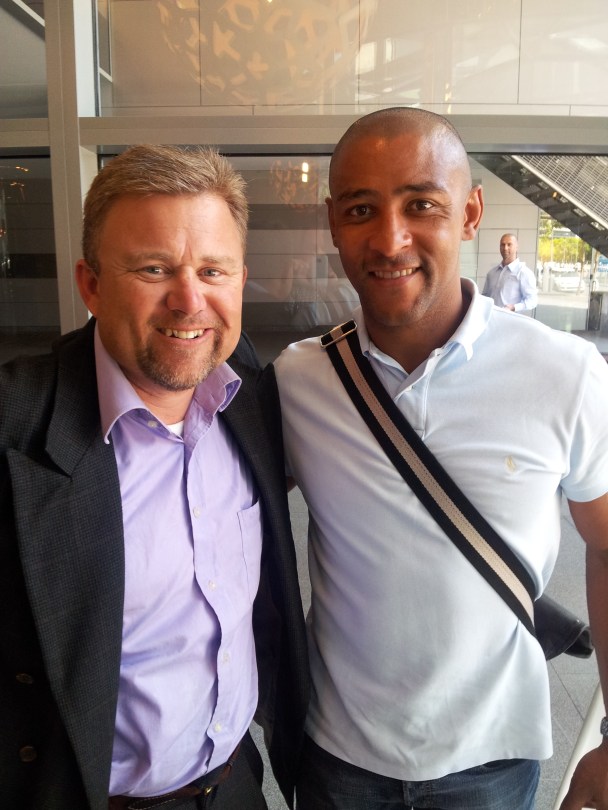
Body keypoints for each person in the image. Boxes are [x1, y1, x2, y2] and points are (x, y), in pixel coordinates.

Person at [274, 107, 608, 810]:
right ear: (333, 222)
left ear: (470, 213)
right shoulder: (298, 380)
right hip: (337, 757)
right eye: (361, 209)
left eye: (421, 204)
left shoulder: (566, 373)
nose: (390, 238)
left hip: (492, 758)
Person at [0, 144, 309, 810]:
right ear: (91, 284)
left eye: (212, 270)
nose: (190, 300)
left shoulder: (250, 393)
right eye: (153, 268)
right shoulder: (14, 432)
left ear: (240, 279)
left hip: (236, 786)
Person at [483, 232, 538, 311]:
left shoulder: (524, 273)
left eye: (509, 244)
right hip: (489, 317)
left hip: (509, 318)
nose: (505, 248)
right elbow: (485, 297)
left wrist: (514, 307)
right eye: (502, 245)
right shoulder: (491, 273)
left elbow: (533, 300)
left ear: (516, 247)